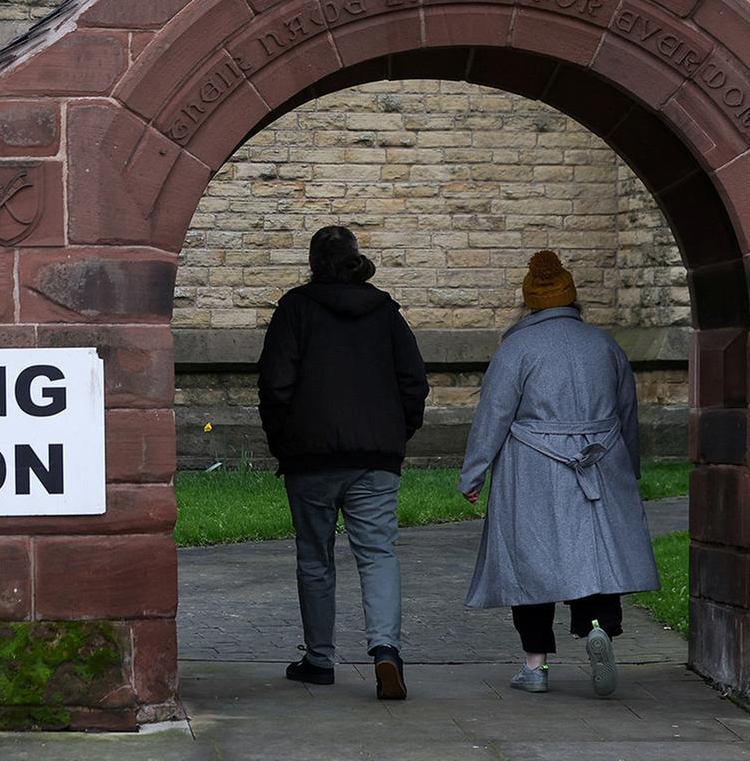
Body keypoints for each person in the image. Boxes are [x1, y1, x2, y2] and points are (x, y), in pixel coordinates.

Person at [458, 250, 659, 698]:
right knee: (594, 558)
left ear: (529, 303)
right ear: (572, 299)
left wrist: (473, 473)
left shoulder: (517, 349)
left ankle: (535, 665)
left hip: (533, 466)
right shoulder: (605, 345)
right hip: (600, 461)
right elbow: (627, 412)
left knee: (531, 562)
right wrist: (629, 468)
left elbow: (493, 416)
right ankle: (597, 629)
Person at [258, 225, 429, 702]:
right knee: (378, 554)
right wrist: (395, 434)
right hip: (375, 456)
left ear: (313, 263)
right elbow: (414, 381)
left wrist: (283, 440)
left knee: (315, 557)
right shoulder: (385, 311)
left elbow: (275, 384)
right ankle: (386, 651)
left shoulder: (295, 309)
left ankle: (319, 659)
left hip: (309, 457)